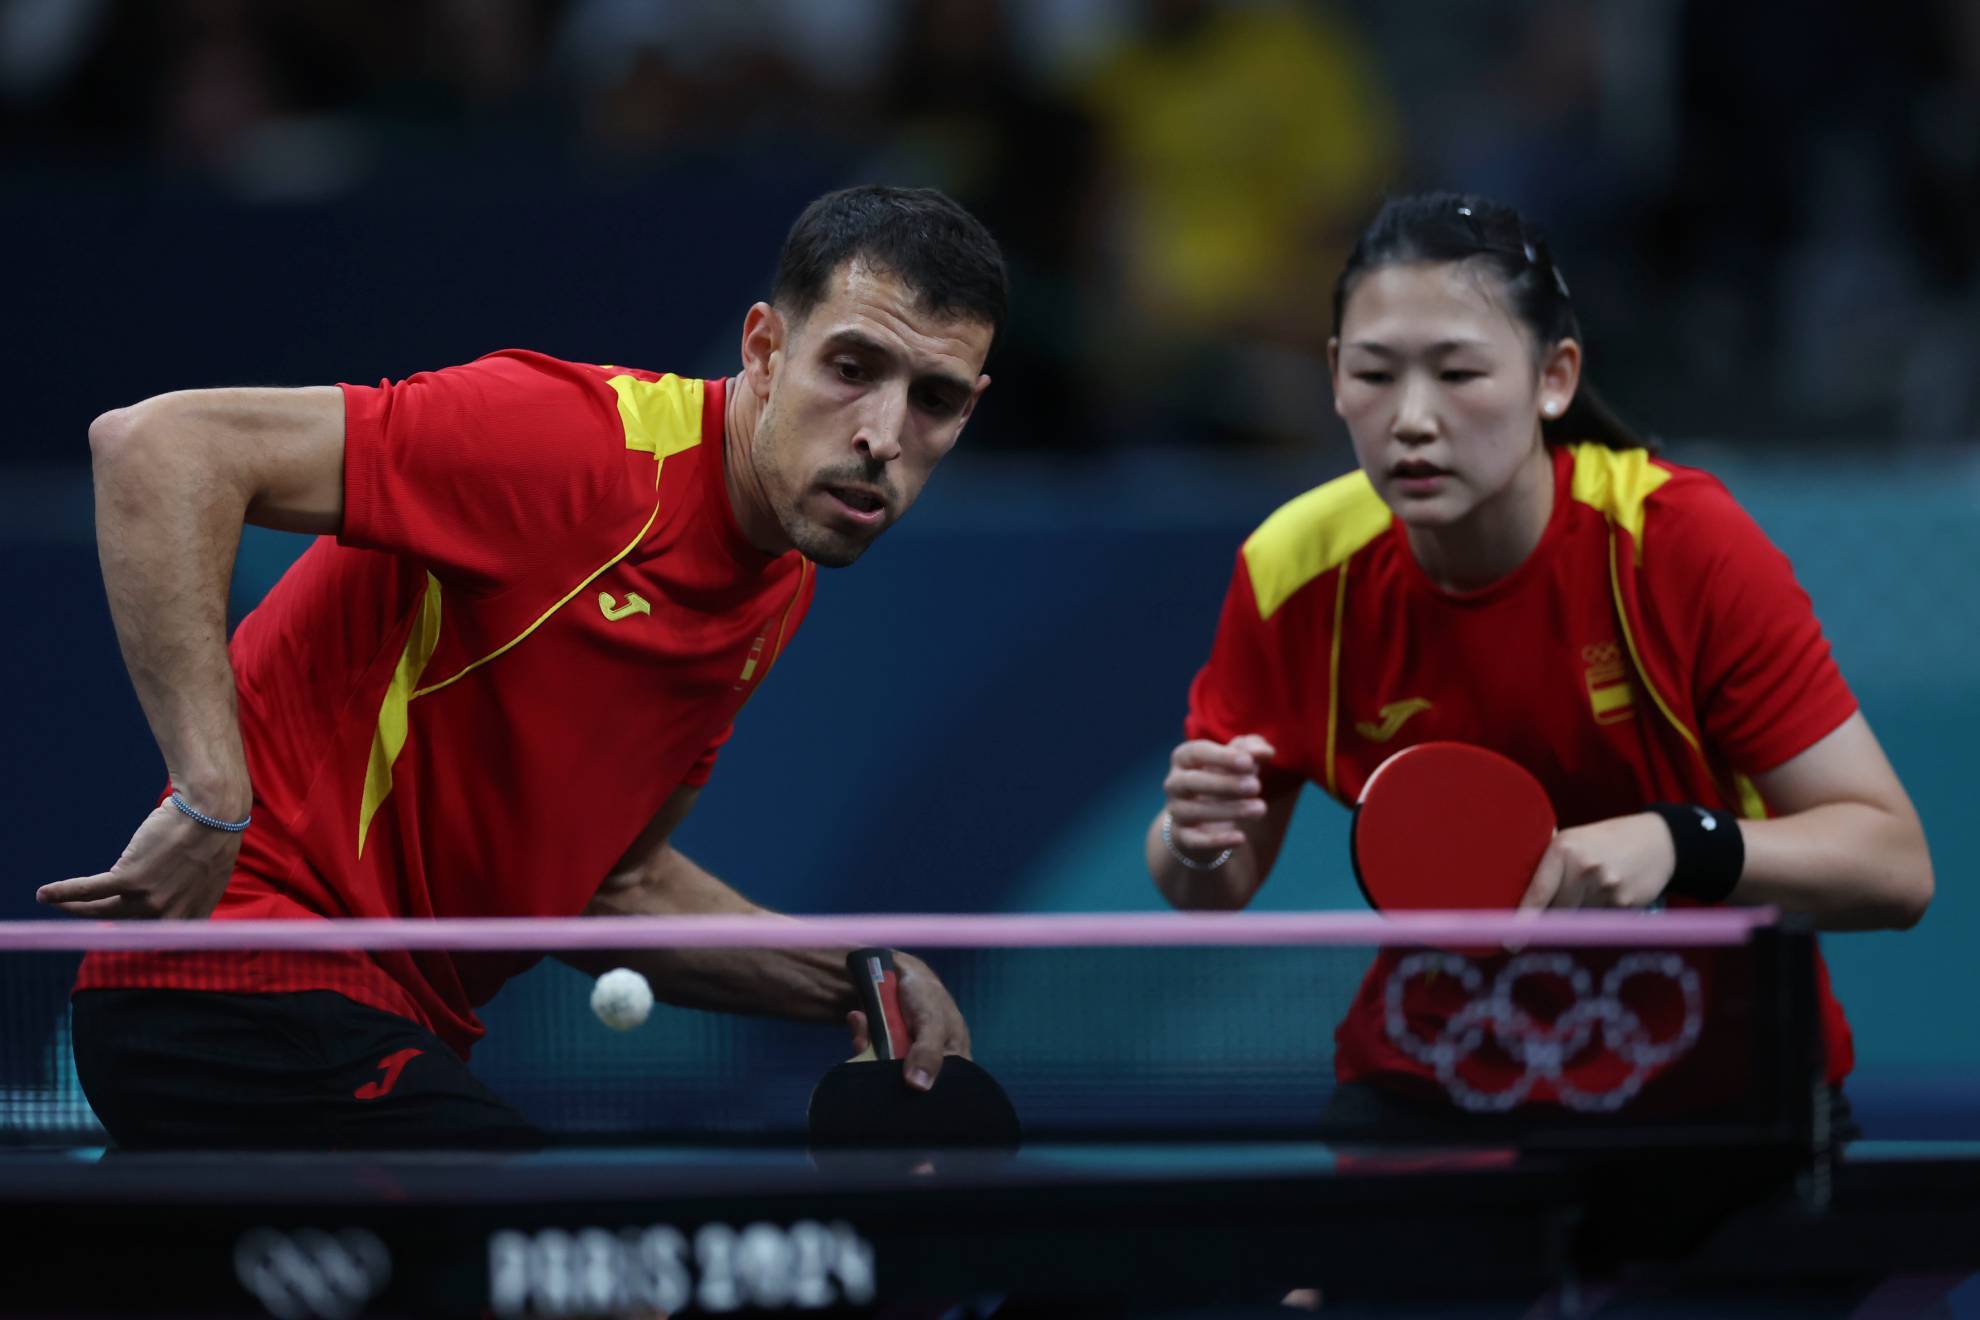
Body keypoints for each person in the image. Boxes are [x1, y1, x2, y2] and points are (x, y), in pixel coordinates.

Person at [41, 185, 1004, 1149]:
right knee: (563, 1259)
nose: (884, 434)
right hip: (234, 981)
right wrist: (211, 791)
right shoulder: (572, 447)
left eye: (935, 399)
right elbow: (161, 447)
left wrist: (858, 971)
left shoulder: (779, 580)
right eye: (851, 367)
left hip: (359, 1031)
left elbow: (615, 888)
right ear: (763, 349)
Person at [1146, 191, 1933, 1133]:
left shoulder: (1671, 543)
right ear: (1333, 377)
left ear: (1554, 378)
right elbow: (1215, 886)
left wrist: (1678, 842)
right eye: (1375, 374)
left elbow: (1895, 867)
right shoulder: (1293, 570)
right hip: (1436, 1084)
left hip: (1713, 1098)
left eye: (1458, 372)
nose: (1411, 419)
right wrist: (1192, 837)